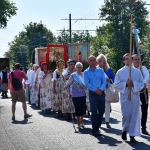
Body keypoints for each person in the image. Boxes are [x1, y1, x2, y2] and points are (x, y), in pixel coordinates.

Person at [114, 53, 144, 143]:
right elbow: (116, 84)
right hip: (125, 97)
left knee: (134, 116)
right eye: (126, 59)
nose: (128, 60)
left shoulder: (137, 72)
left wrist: (134, 83)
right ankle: (125, 129)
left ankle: (132, 135)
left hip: (134, 97)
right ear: (123, 61)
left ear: (131, 60)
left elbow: (142, 84)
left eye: (129, 59)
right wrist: (126, 84)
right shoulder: (120, 72)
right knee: (126, 115)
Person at [84, 56, 106, 136]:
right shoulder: (86, 72)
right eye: (91, 60)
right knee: (94, 112)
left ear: (96, 61)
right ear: (88, 62)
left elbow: (104, 81)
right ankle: (95, 129)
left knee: (101, 111)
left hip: (101, 93)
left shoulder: (100, 70)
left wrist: (100, 89)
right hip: (93, 94)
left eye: (94, 60)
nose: (92, 62)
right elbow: (87, 84)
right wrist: (96, 90)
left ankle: (97, 125)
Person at [132, 54, 149, 135]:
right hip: (134, 92)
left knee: (144, 109)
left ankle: (144, 128)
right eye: (136, 59)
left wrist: (143, 84)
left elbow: (147, 76)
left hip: (143, 91)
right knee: (134, 110)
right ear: (132, 61)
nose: (138, 61)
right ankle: (134, 128)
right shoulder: (130, 70)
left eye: (139, 59)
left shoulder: (143, 68)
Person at [66, 62, 86, 129]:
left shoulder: (84, 75)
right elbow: (67, 84)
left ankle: (82, 122)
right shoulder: (73, 75)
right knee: (77, 109)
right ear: (75, 68)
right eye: (77, 67)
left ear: (82, 68)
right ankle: (78, 123)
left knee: (83, 109)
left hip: (83, 94)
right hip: (75, 95)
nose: (79, 68)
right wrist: (69, 93)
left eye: (80, 67)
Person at [96, 54, 115, 128]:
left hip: (107, 90)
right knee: (99, 107)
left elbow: (113, 78)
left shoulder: (109, 69)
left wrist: (109, 81)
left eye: (104, 61)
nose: (103, 63)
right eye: (101, 61)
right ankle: (98, 121)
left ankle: (107, 121)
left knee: (107, 106)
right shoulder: (96, 70)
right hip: (99, 90)